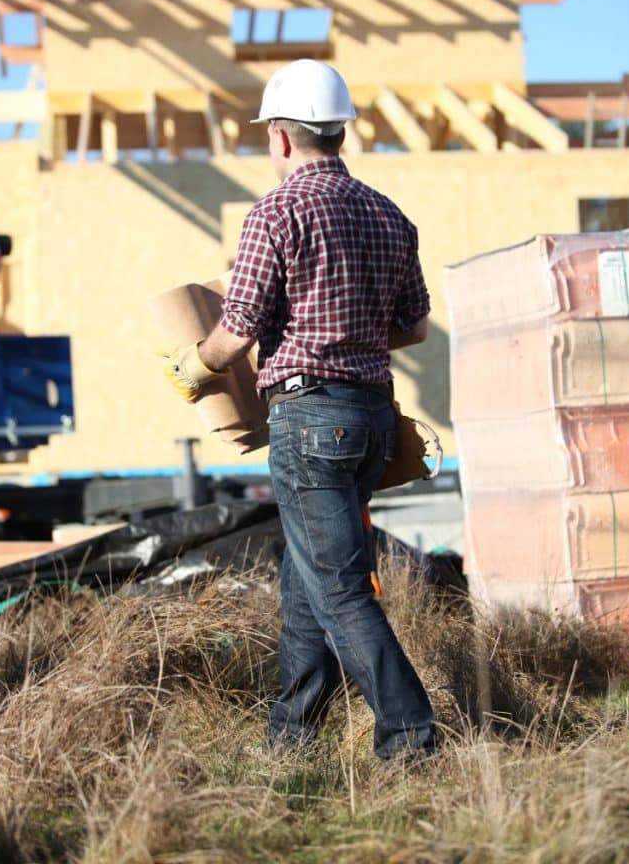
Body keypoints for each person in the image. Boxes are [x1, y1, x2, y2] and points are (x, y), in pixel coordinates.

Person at [164, 59, 437, 760]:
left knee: (340, 591)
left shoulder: (275, 212)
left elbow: (240, 326)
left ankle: (410, 740)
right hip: (372, 419)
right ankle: (289, 741)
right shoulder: (387, 214)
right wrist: (346, 329)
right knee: (305, 585)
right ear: (337, 131)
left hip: (310, 421)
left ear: (281, 138)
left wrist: (194, 366)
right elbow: (413, 328)